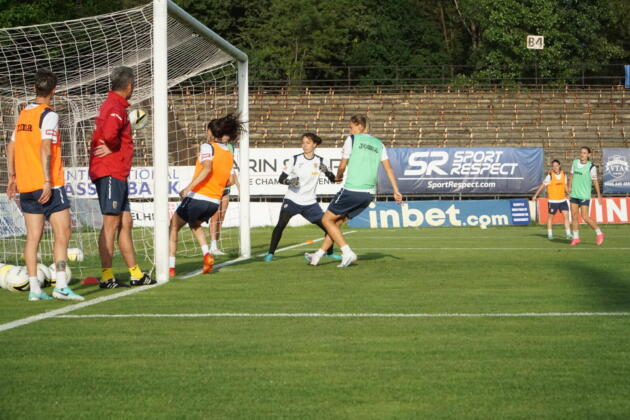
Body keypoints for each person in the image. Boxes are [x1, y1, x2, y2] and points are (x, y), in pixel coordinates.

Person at [6, 69, 83, 301]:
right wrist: (47, 180)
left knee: (33, 237)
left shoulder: (24, 114)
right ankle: (61, 286)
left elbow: (11, 146)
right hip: (50, 184)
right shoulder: (48, 115)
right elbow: (45, 147)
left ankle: (35, 290)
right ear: (54, 91)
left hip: (26, 185)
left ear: (34, 88)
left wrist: (12, 177)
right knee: (63, 233)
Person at [305, 115, 403, 267]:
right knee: (336, 223)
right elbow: (389, 169)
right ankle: (317, 256)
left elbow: (342, 165)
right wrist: (396, 190)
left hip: (352, 190)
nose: (349, 130)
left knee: (326, 220)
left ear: (359, 126)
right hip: (368, 194)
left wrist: (338, 176)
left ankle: (347, 252)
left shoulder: (352, 139)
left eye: (351, 127)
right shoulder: (379, 144)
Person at [89, 66, 154, 288]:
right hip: (110, 171)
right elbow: (109, 134)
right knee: (111, 223)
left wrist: (113, 145)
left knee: (126, 222)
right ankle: (107, 276)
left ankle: (136, 274)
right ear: (129, 86)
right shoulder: (114, 106)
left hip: (118, 172)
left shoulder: (116, 106)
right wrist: (113, 146)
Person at [168, 113, 243, 277]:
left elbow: (207, 167)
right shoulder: (229, 153)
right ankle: (207, 255)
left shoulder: (208, 147)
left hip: (198, 197)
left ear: (211, 132)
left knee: (173, 226)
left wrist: (188, 188)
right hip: (214, 202)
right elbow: (230, 180)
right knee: (194, 223)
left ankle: (170, 268)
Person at [263, 133, 339, 262]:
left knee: (329, 227)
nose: (304, 145)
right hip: (292, 200)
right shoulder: (295, 159)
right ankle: (270, 253)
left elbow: (330, 176)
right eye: (303, 142)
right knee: (281, 225)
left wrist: (334, 177)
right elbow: (281, 179)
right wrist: (290, 181)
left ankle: (329, 253)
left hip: (310, 204)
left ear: (315, 145)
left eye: (308, 143)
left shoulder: (320, 161)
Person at [568, 146, 604, 246]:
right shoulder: (575, 162)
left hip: (584, 195)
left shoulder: (591, 167)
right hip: (574, 194)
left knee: (585, 217)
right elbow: (571, 176)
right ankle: (576, 238)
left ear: (589, 155)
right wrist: (569, 187)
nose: (582, 155)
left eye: (584, 153)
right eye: (581, 152)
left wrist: (599, 195)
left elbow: (595, 182)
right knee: (574, 217)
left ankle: (599, 233)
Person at [208, 135, 238, 256]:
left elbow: (231, 167)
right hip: (216, 185)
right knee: (215, 216)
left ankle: (216, 245)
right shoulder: (213, 146)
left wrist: (238, 185)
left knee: (221, 216)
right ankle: (212, 245)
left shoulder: (230, 147)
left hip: (227, 187)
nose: (226, 137)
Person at [531, 159, 572, 240]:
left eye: (556, 165)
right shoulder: (550, 175)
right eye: (553, 166)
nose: (555, 167)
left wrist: (568, 193)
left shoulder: (564, 174)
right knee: (550, 217)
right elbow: (543, 185)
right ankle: (550, 234)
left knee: (566, 216)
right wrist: (535, 195)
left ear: (559, 165)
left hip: (562, 200)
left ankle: (568, 234)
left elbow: (565, 186)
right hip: (553, 201)